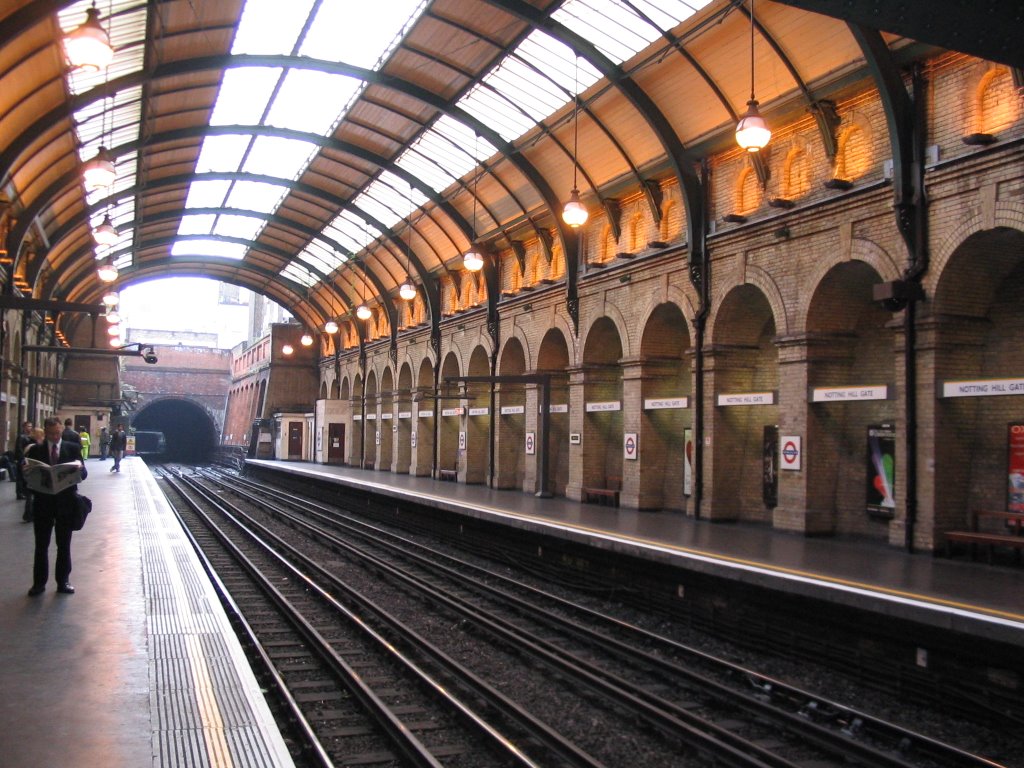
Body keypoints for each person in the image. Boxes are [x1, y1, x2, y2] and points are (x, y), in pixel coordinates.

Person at [26, 417, 88, 596]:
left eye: (58, 433)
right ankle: (38, 584)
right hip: (43, 504)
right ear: (45, 432)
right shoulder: (35, 450)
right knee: (41, 545)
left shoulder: (73, 448)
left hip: (65, 503)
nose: (55, 436)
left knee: (64, 544)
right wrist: (26, 473)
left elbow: (84, 474)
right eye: (51, 433)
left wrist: (79, 470)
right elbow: (28, 479)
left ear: (61, 430)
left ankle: (63, 581)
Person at [21, 427, 45, 523]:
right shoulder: (35, 447)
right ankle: (30, 513)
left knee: (29, 495)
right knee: (33, 495)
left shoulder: (28, 445)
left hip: (28, 473)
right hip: (34, 473)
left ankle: (27, 514)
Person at [13, 420, 34, 500]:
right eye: (28, 426)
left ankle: (23, 492)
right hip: (22, 459)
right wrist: (22, 459)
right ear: (24, 427)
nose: (30, 428)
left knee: (24, 477)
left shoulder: (29, 436)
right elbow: (19, 449)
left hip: (27, 459)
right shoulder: (21, 437)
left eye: (31, 426)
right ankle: (19, 493)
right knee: (20, 477)